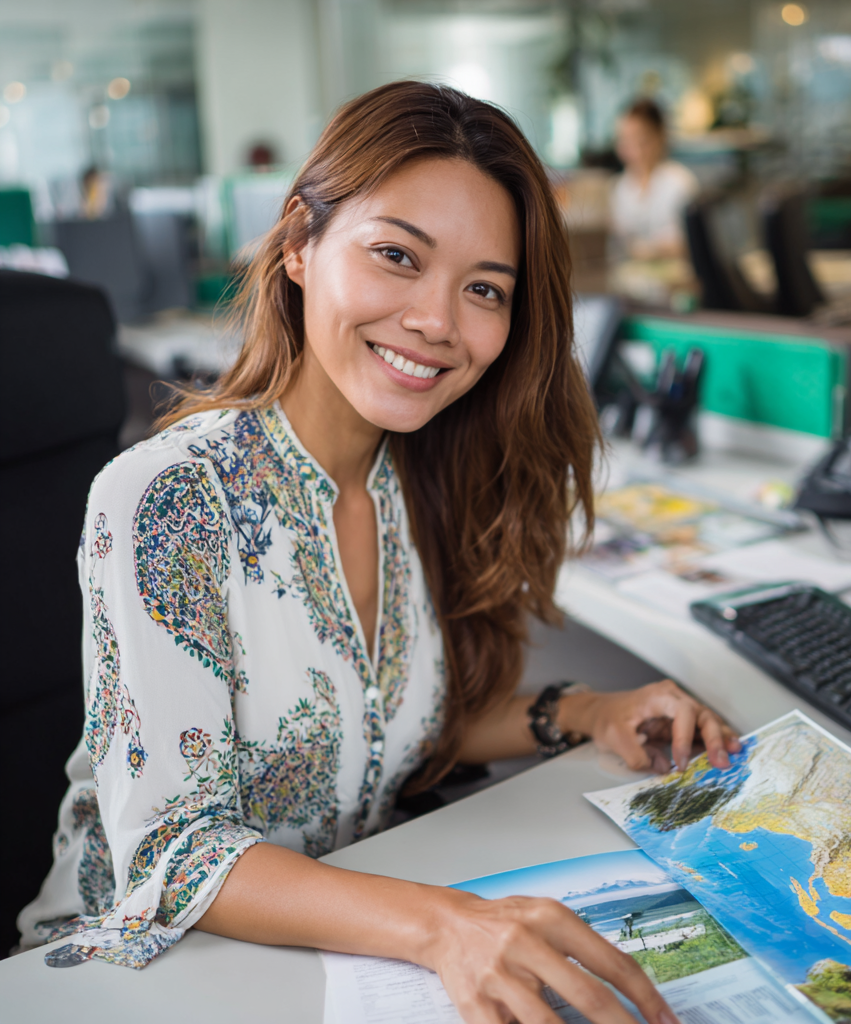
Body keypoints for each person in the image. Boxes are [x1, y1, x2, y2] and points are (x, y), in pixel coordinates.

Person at [20, 82, 739, 1021]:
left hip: (329, 957)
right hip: (141, 977)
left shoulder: (409, 478)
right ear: (298, 246)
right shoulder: (168, 495)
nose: (439, 321)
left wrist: (590, 710)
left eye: (484, 288)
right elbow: (172, 853)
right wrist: (446, 927)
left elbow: (380, 736)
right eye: (397, 255)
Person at [609, 98, 700, 262]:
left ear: (659, 137)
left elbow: (692, 241)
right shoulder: (622, 187)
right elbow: (620, 241)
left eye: (640, 140)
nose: (632, 149)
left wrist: (650, 250)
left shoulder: (679, 182)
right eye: (624, 140)